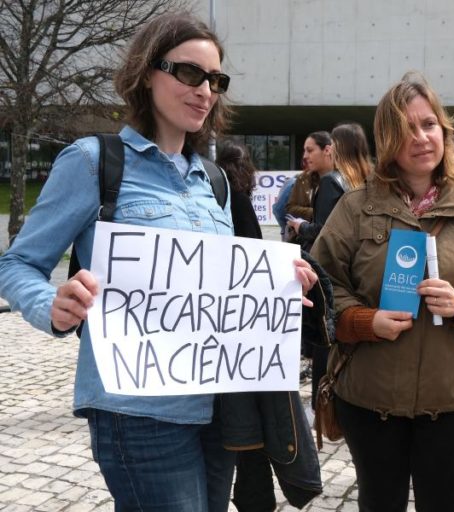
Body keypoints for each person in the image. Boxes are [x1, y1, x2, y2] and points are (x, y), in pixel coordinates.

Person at [0, 13, 318, 512]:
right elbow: (17, 263)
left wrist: (276, 284)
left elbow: (219, 282)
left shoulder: (211, 180)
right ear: (147, 72)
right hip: (137, 411)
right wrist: (52, 305)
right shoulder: (92, 162)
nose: (204, 91)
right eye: (190, 73)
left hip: (218, 407)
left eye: (215, 80)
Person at [311, 73, 454, 511]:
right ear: (387, 139)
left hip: (450, 403)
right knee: (379, 502)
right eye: (407, 128)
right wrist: (362, 320)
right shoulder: (355, 207)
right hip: (369, 400)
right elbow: (322, 281)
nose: (422, 137)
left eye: (429, 125)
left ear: (444, 132)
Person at [216, 141, 323, 511]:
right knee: (252, 435)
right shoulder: (238, 200)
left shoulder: (218, 196)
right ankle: (255, 499)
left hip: (229, 336)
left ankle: (252, 498)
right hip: (245, 338)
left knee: (243, 439)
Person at [287, 122, 373, 409]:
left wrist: (301, 227)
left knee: (325, 339)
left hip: (332, 273)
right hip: (362, 271)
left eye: (330, 146)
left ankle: (322, 405)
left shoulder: (332, 182)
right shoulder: (367, 181)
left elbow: (325, 232)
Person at [284, 131, 334, 236]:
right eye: (304, 151)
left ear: (327, 150)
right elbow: (290, 209)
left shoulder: (342, 179)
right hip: (305, 244)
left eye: (310, 150)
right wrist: (315, 213)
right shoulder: (303, 179)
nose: (305, 156)